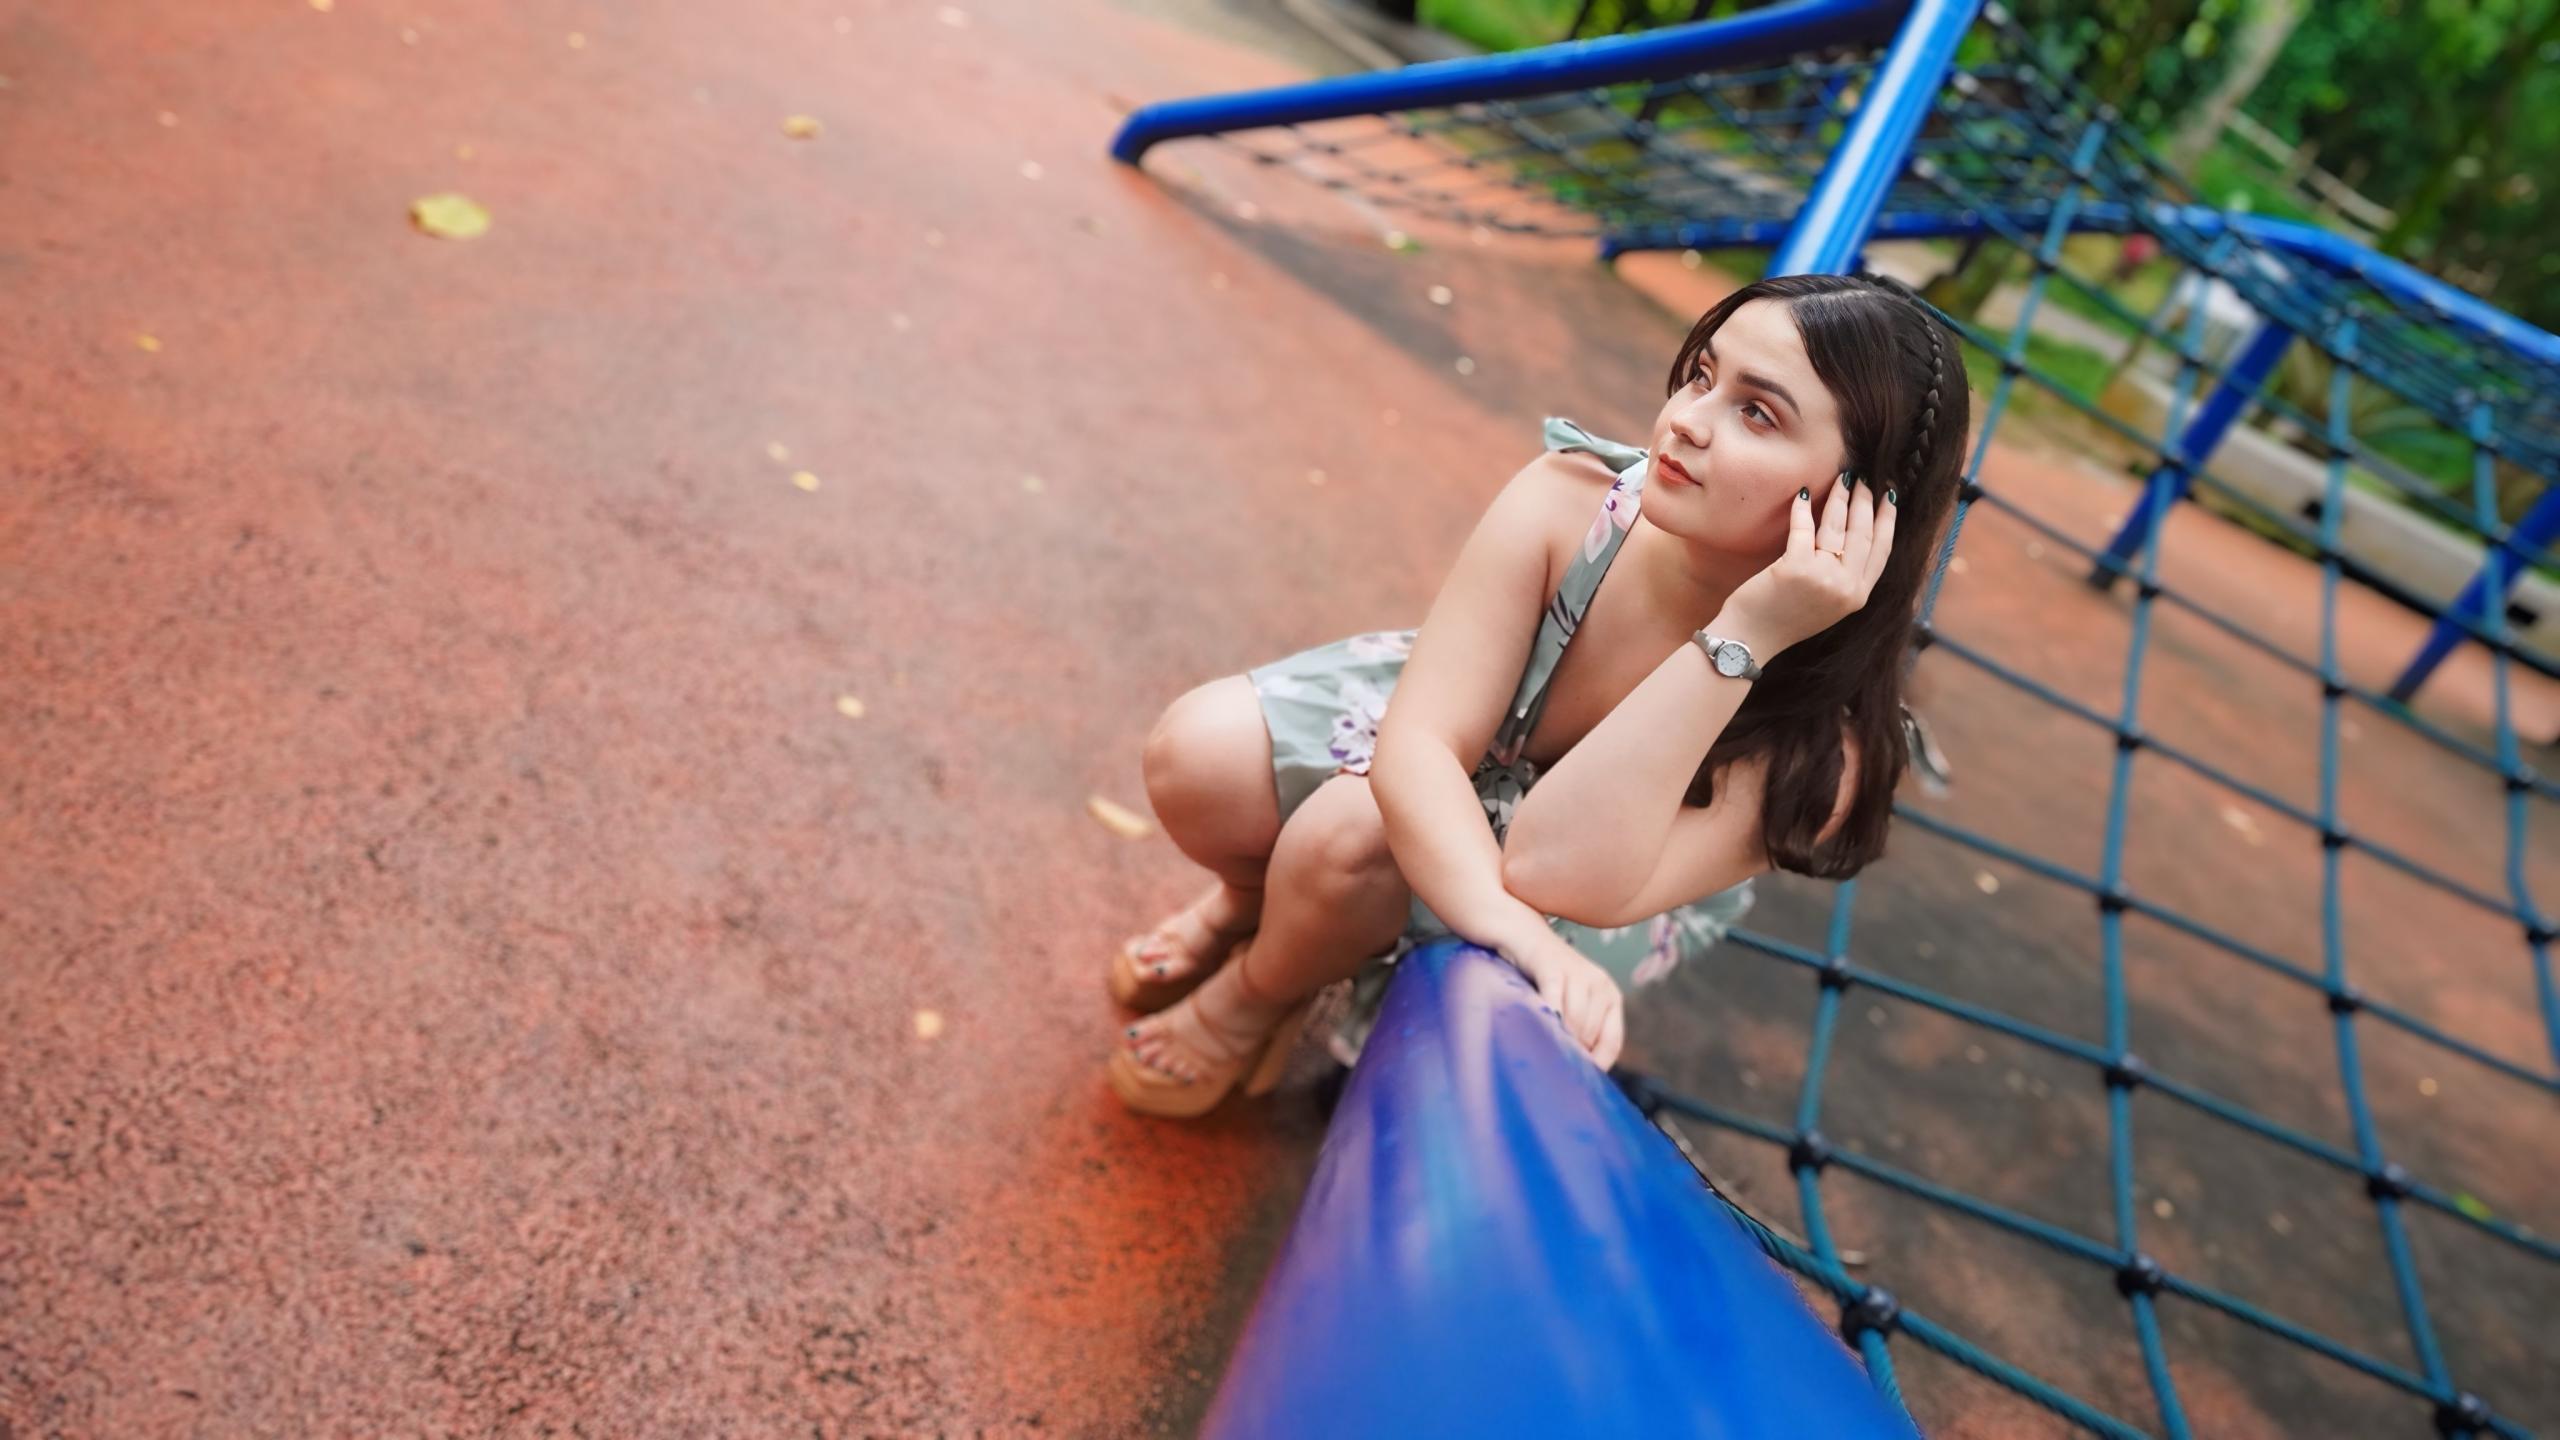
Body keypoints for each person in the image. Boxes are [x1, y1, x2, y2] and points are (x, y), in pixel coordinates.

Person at [1105, 272, 1970, 1119]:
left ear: (1863, 504)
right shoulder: (1576, 501)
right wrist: (1497, 919)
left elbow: (1551, 870)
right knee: (1202, 757)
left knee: (1354, 834)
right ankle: (1253, 907)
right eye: (1702, 376)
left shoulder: (1827, 748)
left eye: (1757, 413)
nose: (1686, 420)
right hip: (1471, 764)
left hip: (1583, 881)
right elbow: (1421, 743)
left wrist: (1744, 636)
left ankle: (1251, 998)